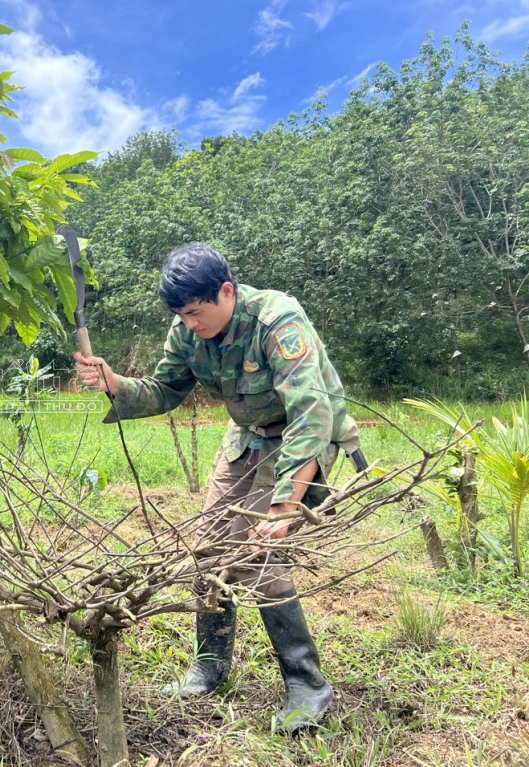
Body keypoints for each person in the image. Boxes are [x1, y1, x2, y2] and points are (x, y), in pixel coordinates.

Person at [74, 243, 361, 732]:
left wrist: (284, 509)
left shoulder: (278, 320)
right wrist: (114, 382)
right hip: (246, 437)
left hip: (297, 437)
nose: (189, 324)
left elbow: (311, 417)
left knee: (257, 555)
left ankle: (307, 682)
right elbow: (166, 390)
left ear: (226, 291)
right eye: (180, 315)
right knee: (207, 548)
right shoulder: (187, 329)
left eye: (194, 312)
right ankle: (209, 668)